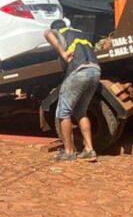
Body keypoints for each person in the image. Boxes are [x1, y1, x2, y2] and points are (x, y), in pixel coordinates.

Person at [44, 19, 110, 162]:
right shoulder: (81, 34)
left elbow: (47, 33)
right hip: (95, 70)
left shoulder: (59, 32)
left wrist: (62, 53)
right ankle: (89, 150)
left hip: (79, 71)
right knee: (81, 111)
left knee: (63, 112)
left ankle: (68, 152)